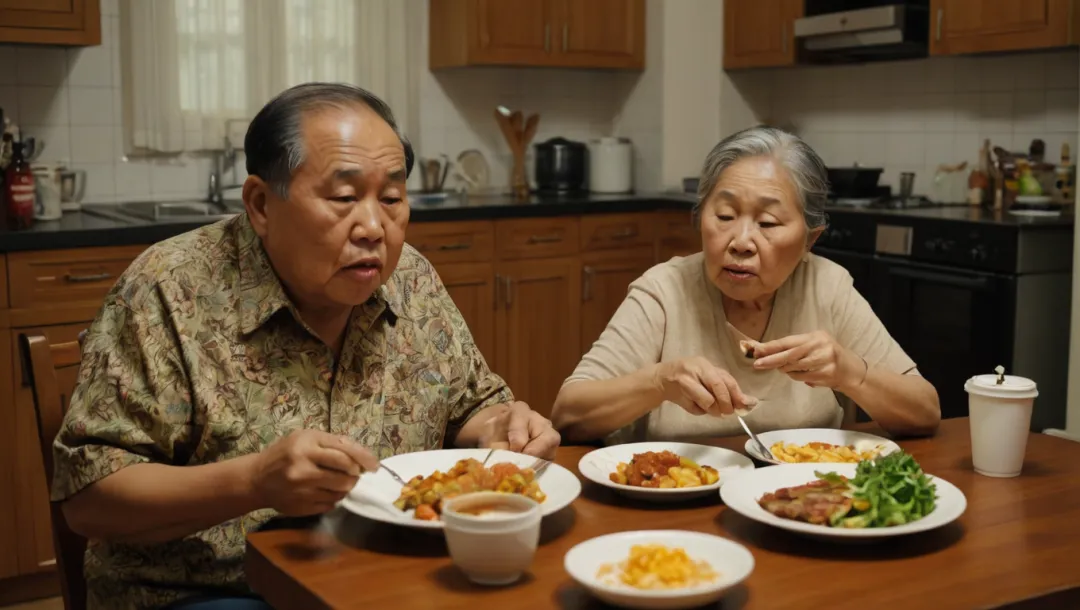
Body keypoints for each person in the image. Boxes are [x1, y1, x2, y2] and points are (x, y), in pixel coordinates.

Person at [51, 83, 560, 610]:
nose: (373, 227)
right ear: (261, 204)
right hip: (206, 591)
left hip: (379, 572)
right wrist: (253, 482)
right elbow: (89, 500)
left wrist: (502, 425)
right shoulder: (169, 289)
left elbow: (471, 406)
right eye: (343, 198)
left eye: (390, 198)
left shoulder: (412, 278)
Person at [551, 126, 940, 444]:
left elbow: (925, 413)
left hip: (806, 501)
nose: (740, 242)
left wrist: (850, 372)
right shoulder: (665, 291)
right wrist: (659, 382)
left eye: (768, 224)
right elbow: (569, 415)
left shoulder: (827, 286)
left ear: (810, 240)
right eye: (724, 215)